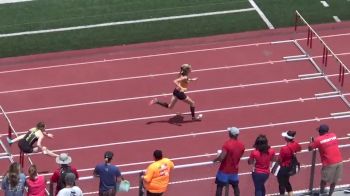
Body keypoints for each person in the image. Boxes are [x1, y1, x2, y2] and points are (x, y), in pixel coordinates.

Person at [308, 124, 343, 196]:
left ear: (320, 132)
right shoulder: (333, 135)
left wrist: (311, 141)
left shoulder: (318, 139)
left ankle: (321, 193)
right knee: (334, 181)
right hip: (339, 161)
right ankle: (330, 194)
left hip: (329, 163)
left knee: (324, 180)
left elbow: (309, 148)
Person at [213, 127, 245, 196]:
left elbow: (221, 157)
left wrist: (215, 160)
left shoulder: (227, 144)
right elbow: (240, 156)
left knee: (220, 187)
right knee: (235, 187)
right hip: (234, 170)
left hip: (224, 170)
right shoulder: (242, 145)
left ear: (230, 134)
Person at [277, 130, 301, 196]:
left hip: (284, 167)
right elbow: (299, 149)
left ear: (287, 138)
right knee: (286, 182)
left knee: (281, 184)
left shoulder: (284, 148)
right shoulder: (296, 144)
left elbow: (279, 160)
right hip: (291, 166)